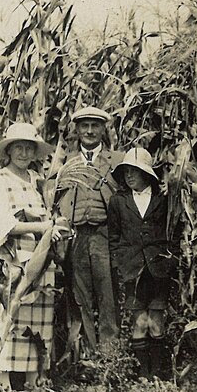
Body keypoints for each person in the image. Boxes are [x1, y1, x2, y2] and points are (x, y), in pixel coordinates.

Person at [0, 122, 65, 391]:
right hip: (14, 261)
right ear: (8, 151)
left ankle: (33, 378)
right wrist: (43, 228)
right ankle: (4, 380)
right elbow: (2, 227)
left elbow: (51, 217)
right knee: (11, 314)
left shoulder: (37, 183)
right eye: (18, 147)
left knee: (37, 318)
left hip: (42, 259)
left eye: (29, 148)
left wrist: (54, 231)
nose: (23, 153)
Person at [56, 106, 123, 357]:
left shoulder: (116, 161)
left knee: (108, 296)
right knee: (80, 296)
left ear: (104, 129)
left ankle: (110, 357)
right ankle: (86, 356)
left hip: (104, 236)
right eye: (84, 125)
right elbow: (53, 198)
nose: (90, 131)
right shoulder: (66, 163)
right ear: (77, 129)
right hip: (76, 238)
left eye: (95, 125)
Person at [108, 147, 179, 381]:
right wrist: (121, 262)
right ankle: (143, 375)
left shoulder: (162, 197)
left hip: (158, 269)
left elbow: (174, 231)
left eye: (134, 171)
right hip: (132, 269)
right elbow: (114, 237)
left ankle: (159, 373)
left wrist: (170, 259)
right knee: (139, 321)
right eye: (126, 172)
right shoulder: (119, 201)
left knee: (156, 322)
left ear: (146, 173)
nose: (129, 176)